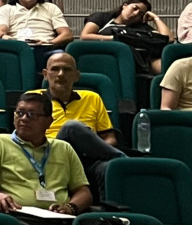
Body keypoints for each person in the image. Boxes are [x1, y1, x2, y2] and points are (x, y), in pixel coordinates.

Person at [0, 92, 92, 218]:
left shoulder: (64, 148)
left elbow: (84, 192)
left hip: (60, 219)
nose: (24, 118)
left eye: (32, 115)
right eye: (20, 113)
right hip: (15, 216)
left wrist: (70, 207)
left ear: (49, 122)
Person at [26, 51, 122, 187]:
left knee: (108, 169)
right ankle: (125, 162)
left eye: (67, 69)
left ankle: (110, 207)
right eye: (55, 69)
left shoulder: (92, 98)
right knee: (72, 128)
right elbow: (23, 137)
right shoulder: (33, 99)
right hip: (49, 157)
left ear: (76, 76)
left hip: (86, 158)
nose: (61, 74)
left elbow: (110, 138)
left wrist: (91, 143)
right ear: (45, 75)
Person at [0, 0, 71, 66]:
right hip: (17, 49)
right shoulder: (6, 9)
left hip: (45, 48)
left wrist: (49, 42)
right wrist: (10, 39)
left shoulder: (51, 8)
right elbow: (0, 32)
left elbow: (67, 34)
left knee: (62, 57)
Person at [81, 0, 171, 73]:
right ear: (125, 5)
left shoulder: (141, 29)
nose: (135, 14)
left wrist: (156, 18)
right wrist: (117, 39)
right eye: (134, 8)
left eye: (141, 14)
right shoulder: (103, 18)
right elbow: (85, 36)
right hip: (101, 57)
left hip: (132, 64)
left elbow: (168, 39)